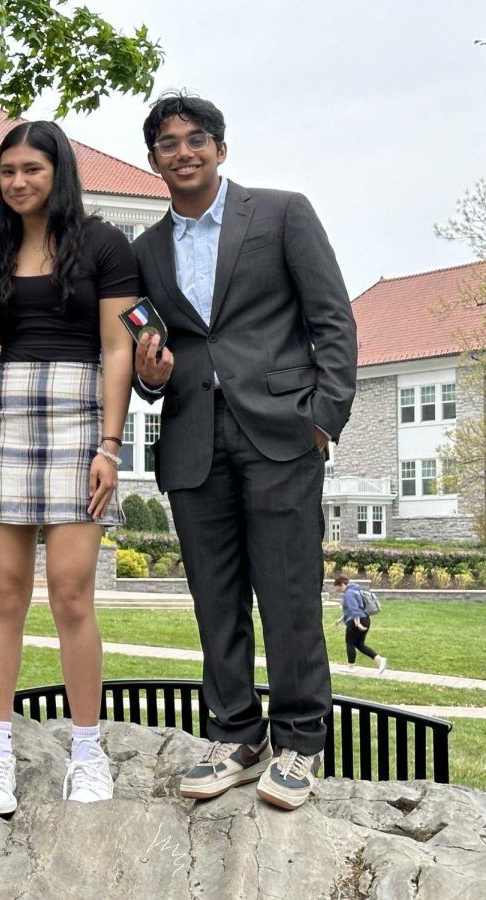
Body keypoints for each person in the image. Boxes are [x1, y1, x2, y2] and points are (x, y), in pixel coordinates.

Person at [131, 91, 356, 811]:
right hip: (195, 439)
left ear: (221, 149)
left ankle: (299, 743)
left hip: (282, 432)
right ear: (154, 160)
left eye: (197, 139)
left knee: (289, 592)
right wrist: (149, 376)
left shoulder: (283, 213)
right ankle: (235, 733)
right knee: (215, 597)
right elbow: (151, 354)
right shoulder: (145, 250)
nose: (184, 151)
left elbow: (333, 320)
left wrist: (323, 418)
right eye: (169, 143)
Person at [0, 121, 135, 816]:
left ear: (59, 171)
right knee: (2, 594)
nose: (19, 181)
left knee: (70, 594)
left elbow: (119, 347)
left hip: (82, 419)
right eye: (8, 171)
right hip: (8, 417)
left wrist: (110, 447)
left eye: (32, 168)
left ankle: (87, 750)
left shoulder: (104, 243)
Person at [332, 575, 387, 673]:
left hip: (356, 621)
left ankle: (350, 667)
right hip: (365, 618)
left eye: (338, 588)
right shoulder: (355, 590)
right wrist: (340, 620)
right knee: (359, 644)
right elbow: (351, 609)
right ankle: (379, 660)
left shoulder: (348, 594)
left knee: (350, 643)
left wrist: (357, 624)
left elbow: (354, 610)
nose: (338, 590)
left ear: (341, 584)